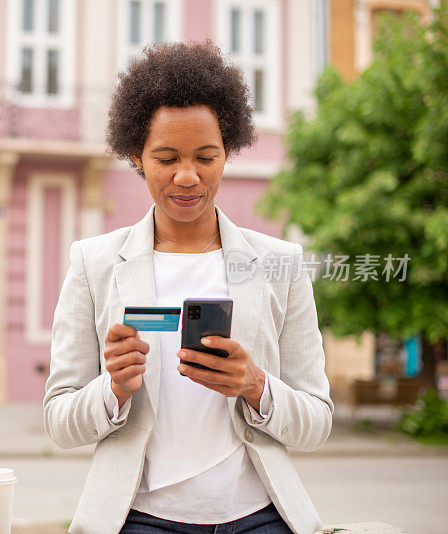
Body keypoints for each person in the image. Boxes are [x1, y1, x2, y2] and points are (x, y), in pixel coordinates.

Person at [43, 41, 334, 534]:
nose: (187, 176)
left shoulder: (280, 264)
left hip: (260, 518)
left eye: (206, 156)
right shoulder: (93, 263)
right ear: (136, 156)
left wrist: (255, 386)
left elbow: (317, 421)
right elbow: (59, 420)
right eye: (165, 158)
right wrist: (112, 389)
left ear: (228, 153)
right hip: (139, 520)